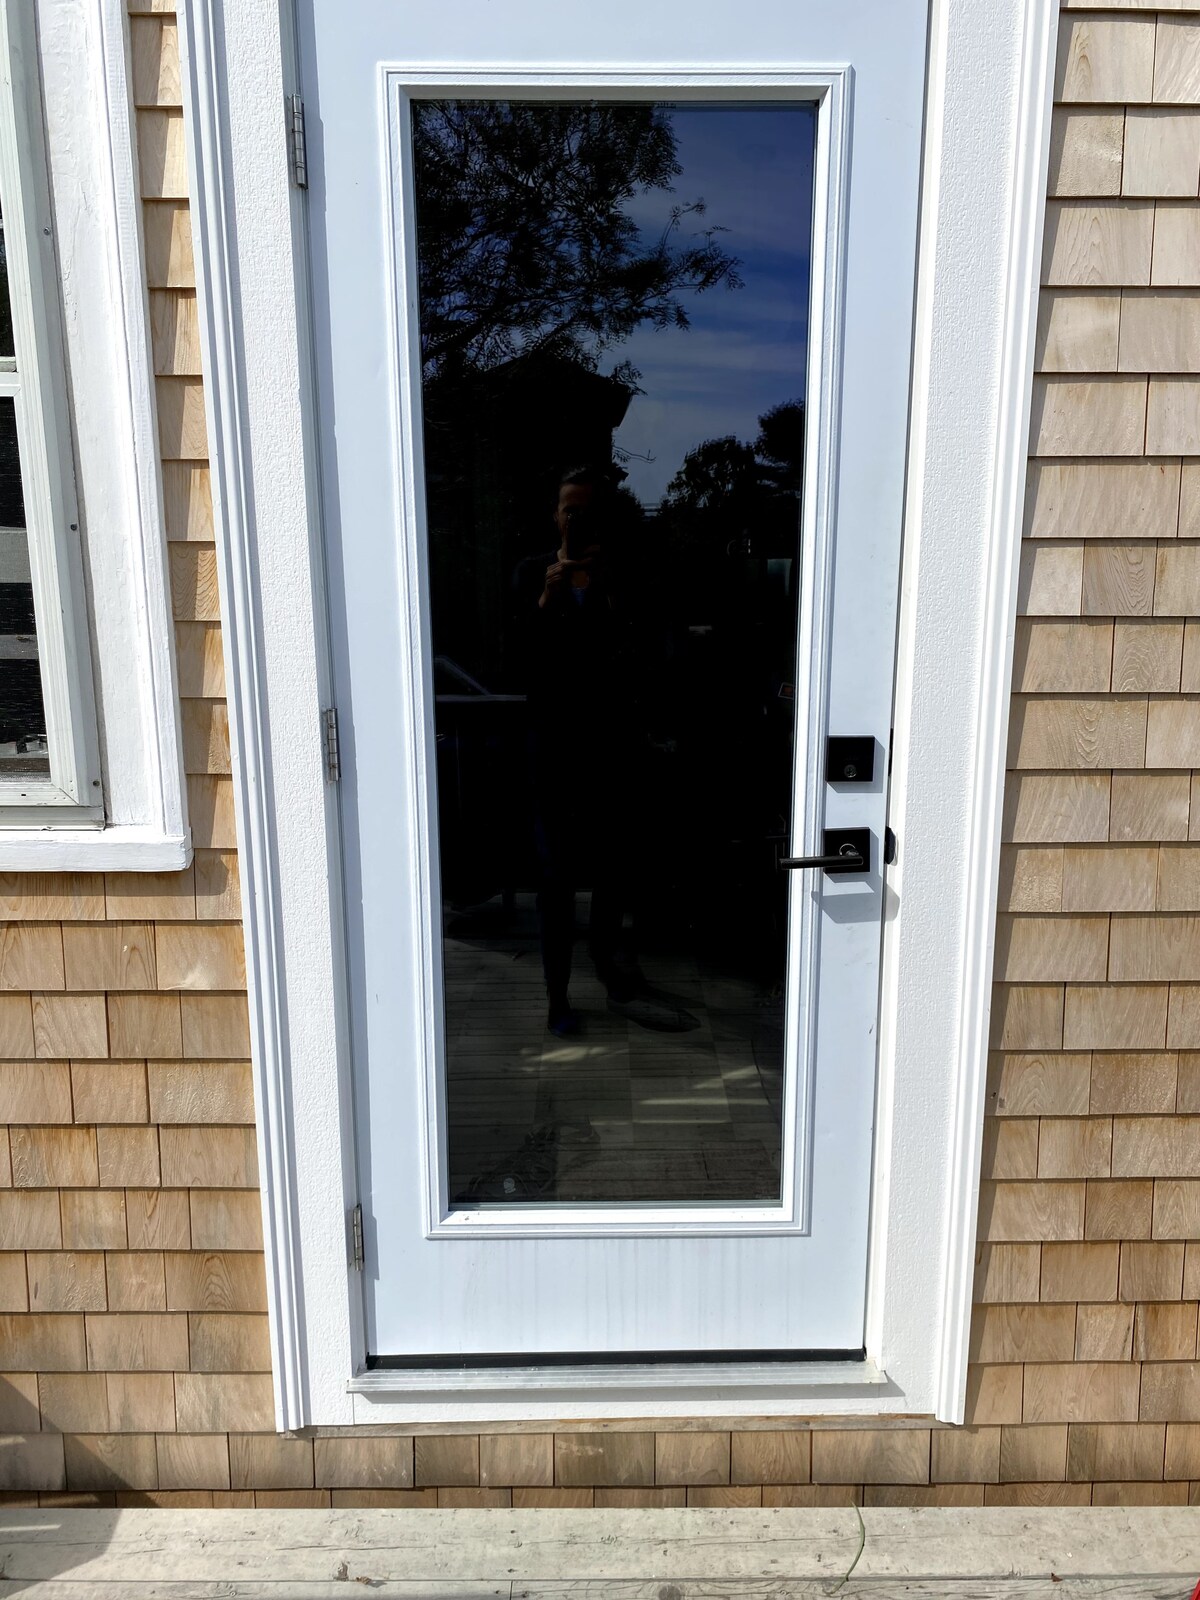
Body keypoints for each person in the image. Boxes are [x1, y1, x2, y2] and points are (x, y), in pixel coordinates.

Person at [511, 465, 644, 1037]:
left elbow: (642, 655)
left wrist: (610, 590)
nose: (575, 517)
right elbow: (515, 660)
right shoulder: (530, 575)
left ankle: (607, 965)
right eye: (568, 507)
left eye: (585, 509)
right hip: (553, 758)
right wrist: (547, 597)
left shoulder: (622, 578)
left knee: (614, 870)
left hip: (610, 753)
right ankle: (557, 997)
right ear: (554, 514)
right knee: (556, 880)